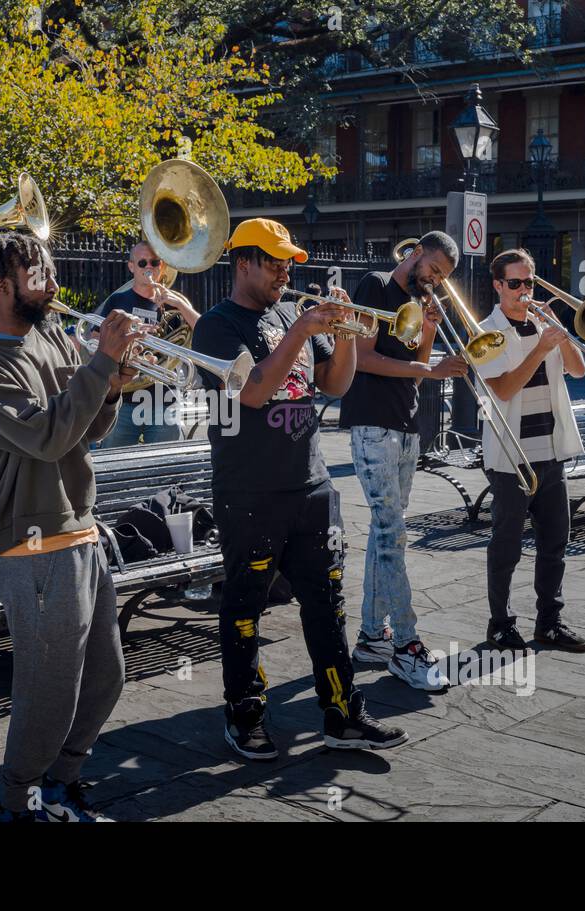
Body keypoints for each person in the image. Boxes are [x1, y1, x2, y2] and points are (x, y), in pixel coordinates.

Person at [191, 217, 407, 761]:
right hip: (249, 491)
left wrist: (351, 335)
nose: (286, 272)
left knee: (327, 605)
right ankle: (245, 716)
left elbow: (334, 384)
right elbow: (252, 394)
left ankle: (342, 712)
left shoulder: (292, 316)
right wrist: (302, 331)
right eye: (275, 262)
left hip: (310, 485)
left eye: (289, 262)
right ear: (243, 263)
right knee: (245, 609)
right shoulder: (216, 328)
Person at [0, 231, 143, 822]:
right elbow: (47, 436)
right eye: (37, 274)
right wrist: (102, 364)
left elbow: (86, 430)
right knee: (49, 686)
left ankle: (60, 782)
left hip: (80, 526)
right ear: (0, 285)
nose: (53, 284)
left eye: (52, 271)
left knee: (105, 676)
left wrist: (111, 386)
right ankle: (20, 800)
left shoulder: (52, 337)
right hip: (28, 541)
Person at [340, 231, 469, 689]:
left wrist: (431, 329)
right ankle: (407, 646)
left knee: (384, 533)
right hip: (372, 423)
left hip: (405, 423)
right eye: (432, 270)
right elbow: (364, 358)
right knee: (392, 534)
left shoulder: (418, 302)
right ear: (415, 254)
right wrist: (427, 369)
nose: (433, 280)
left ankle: (373, 637)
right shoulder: (374, 286)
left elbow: (414, 370)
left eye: (442, 277)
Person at [476, 249, 585, 652]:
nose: (524, 290)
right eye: (515, 283)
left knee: (555, 540)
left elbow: (579, 370)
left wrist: (559, 332)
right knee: (506, 545)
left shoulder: (544, 325)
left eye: (530, 282)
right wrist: (540, 349)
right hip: (511, 456)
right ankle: (500, 624)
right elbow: (503, 389)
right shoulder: (484, 333)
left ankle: (550, 622)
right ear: (497, 285)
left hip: (551, 448)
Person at [90, 240, 199, 447]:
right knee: (115, 464)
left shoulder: (176, 303)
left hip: (164, 399)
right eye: (142, 263)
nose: (148, 267)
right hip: (123, 399)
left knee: (165, 469)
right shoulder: (117, 301)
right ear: (131, 266)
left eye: (154, 262)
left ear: (162, 267)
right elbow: (95, 342)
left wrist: (179, 304)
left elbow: (204, 331)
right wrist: (129, 339)